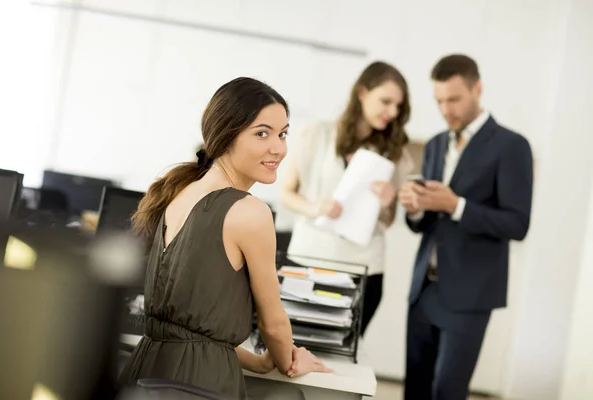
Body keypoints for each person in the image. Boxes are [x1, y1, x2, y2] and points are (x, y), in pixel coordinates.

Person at [118, 77, 331, 399]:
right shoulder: (249, 212)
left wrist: (260, 363)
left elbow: (187, 337)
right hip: (198, 387)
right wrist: (289, 358)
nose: (279, 148)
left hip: (146, 374)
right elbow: (273, 324)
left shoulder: (179, 193)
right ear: (226, 136)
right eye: (262, 133)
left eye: (283, 134)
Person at [399, 54, 534, 400]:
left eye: (454, 99)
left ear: (477, 89)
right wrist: (415, 209)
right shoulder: (435, 144)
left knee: (447, 391)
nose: (446, 109)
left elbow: (517, 224)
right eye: (439, 101)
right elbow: (425, 223)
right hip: (423, 292)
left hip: (470, 296)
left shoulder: (511, 146)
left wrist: (455, 205)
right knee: (414, 389)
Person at [280, 61, 414, 335]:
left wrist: (388, 204)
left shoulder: (395, 153)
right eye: (386, 101)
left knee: (344, 353)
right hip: (310, 260)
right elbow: (286, 193)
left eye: (398, 106)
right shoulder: (317, 134)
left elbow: (387, 222)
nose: (392, 112)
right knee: (295, 344)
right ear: (362, 93)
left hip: (364, 270)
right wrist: (317, 207)